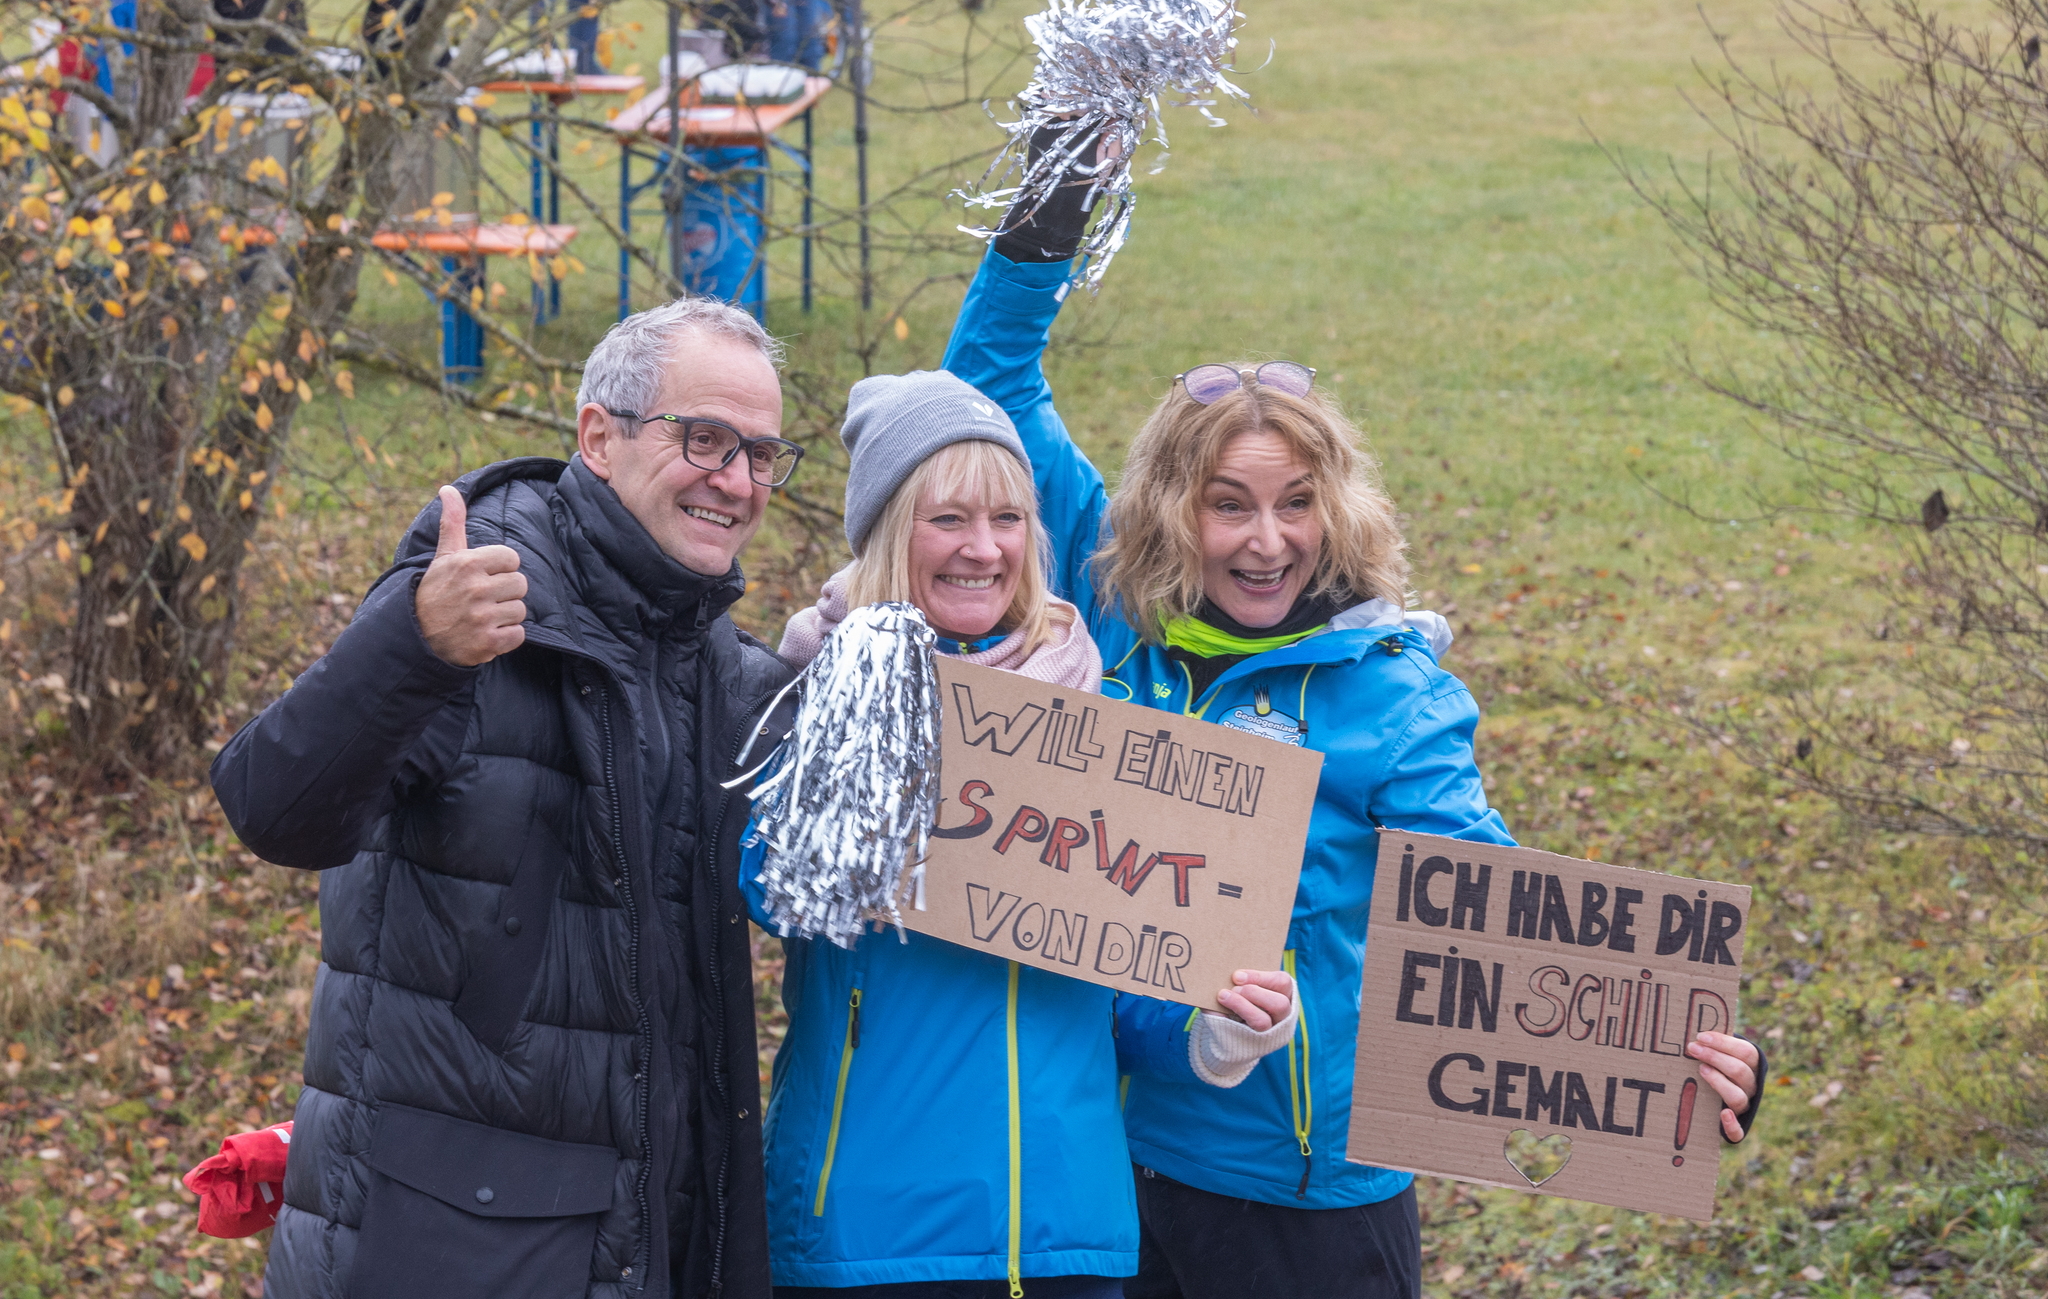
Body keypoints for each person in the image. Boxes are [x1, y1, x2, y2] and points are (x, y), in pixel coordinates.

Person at [936, 158, 1768, 1299]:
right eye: (1228, 505)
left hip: (1302, 1203)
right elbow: (984, 385)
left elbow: (1489, 900)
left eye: (1296, 504)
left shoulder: (1390, 696)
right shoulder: (1113, 609)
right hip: (1102, 1168)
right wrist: (1058, 186)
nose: (1266, 541)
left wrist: (1674, 1044)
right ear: (1170, 513)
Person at [210, 296, 806, 1299]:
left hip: (636, 1241)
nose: (738, 481)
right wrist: (412, 645)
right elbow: (273, 809)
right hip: (444, 1246)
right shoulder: (472, 603)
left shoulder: (719, 669)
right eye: (705, 439)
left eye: (760, 453)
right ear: (599, 437)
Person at [742, 371, 1301, 1298]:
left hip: (1067, 1233)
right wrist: (877, 721)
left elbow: (1120, 983)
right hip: (870, 1232)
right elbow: (769, 886)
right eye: (948, 518)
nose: (983, 547)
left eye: (1008, 518)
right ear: (889, 530)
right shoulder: (822, 684)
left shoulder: (1094, 710)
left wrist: (1215, 1026)